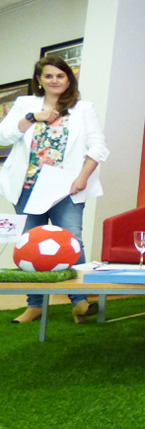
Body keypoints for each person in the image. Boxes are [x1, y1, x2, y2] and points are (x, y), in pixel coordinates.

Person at [0, 55, 109, 324]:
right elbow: (3, 137)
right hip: (27, 186)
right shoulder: (25, 105)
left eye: (60, 76)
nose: (55, 80)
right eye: (48, 76)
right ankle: (34, 305)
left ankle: (80, 303)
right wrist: (31, 118)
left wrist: (83, 177)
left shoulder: (83, 108)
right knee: (30, 245)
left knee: (73, 241)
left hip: (67, 188)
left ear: (69, 79)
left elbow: (98, 147)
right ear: (39, 80)